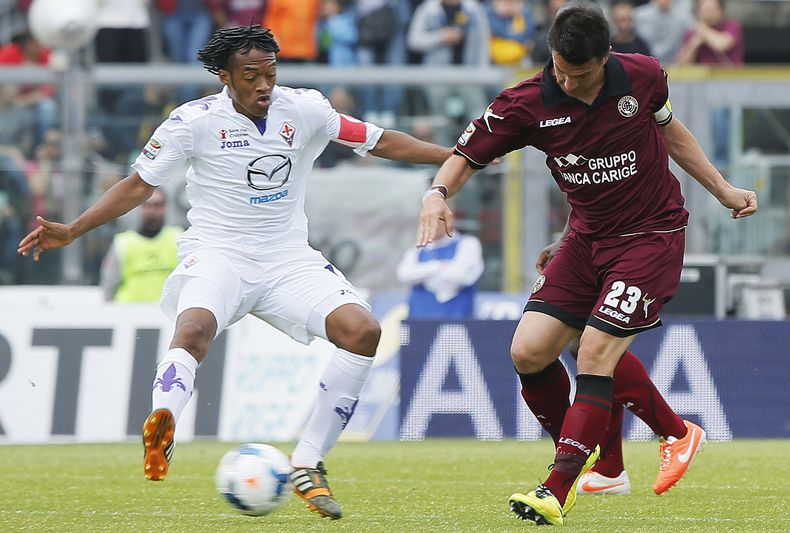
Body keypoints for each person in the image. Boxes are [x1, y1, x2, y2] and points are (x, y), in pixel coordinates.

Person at [18, 25, 452, 521]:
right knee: (194, 329)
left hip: (288, 257)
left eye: (270, 73)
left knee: (364, 331)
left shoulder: (305, 108)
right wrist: (73, 229)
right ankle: (163, 423)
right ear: (225, 76)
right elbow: (138, 186)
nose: (264, 85)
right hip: (219, 253)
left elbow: (379, 141)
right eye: (251, 76)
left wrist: (460, 157)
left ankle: (308, 465)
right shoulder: (192, 121)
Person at [416, 6, 757, 525]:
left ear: (606, 58)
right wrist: (437, 194)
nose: (568, 81)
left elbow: (672, 133)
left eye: (581, 73)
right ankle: (601, 449)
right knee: (528, 352)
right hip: (584, 239)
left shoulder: (642, 75)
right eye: (560, 69)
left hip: (651, 235)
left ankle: (558, 483)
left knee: (595, 350)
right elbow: (464, 156)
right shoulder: (525, 103)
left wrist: (724, 189)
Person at [535, 221, 704, 497]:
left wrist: (724, 191)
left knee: (594, 347)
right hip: (591, 242)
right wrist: (565, 239)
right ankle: (608, 468)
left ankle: (675, 432)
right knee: (584, 346)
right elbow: (588, 188)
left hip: (636, 240)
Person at [100, 188, 182, 302]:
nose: (152, 210)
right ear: (139, 207)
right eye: (147, 205)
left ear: (165, 207)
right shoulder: (123, 242)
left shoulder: (178, 238)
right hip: (129, 314)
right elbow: (109, 284)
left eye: (157, 205)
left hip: (168, 314)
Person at [396, 220, 483, 318]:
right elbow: (404, 274)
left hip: (456, 321)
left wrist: (423, 276)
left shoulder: (468, 243)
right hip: (418, 320)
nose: (432, 224)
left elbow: (460, 276)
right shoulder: (418, 249)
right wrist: (438, 266)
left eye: (438, 219)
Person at [676, 0, 744, 65]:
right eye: (705, 10)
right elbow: (682, 63)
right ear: (698, 12)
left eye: (712, 10)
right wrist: (693, 45)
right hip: (703, 75)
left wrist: (703, 30)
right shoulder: (692, 33)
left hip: (729, 74)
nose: (709, 14)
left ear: (721, 11)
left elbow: (721, 45)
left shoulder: (732, 26)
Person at [634, 0, 694, 65]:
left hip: (674, 64)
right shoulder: (638, 15)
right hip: (645, 63)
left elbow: (693, 34)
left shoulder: (684, 18)